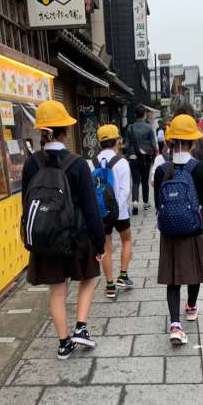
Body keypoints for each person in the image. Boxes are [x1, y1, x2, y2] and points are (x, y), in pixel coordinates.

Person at [22, 100, 105, 360]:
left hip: (47, 238)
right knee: (89, 278)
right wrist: (99, 243)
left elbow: (26, 202)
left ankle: (63, 343)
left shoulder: (31, 164)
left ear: (41, 131)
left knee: (57, 290)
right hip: (78, 236)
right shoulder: (78, 164)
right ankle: (81, 327)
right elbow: (91, 208)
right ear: (65, 131)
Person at [154, 114, 203, 344]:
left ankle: (175, 325)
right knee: (193, 271)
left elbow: (158, 203)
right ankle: (190, 307)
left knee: (173, 278)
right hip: (194, 230)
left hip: (169, 231)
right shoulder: (199, 168)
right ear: (193, 141)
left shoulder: (162, 169)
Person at [95, 124, 133, 299]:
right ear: (117, 141)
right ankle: (123, 276)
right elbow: (125, 189)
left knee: (106, 248)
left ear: (99, 142)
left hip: (101, 212)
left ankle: (110, 286)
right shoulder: (122, 162)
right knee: (126, 240)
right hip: (120, 212)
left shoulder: (92, 162)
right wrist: (116, 207)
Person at [125, 104, 157, 216]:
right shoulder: (149, 128)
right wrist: (153, 157)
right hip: (145, 157)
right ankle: (146, 203)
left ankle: (135, 202)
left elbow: (127, 144)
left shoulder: (130, 128)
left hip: (133, 157)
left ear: (135, 115)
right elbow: (153, 145)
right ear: (144, 115)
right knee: (144, 180)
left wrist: (129, 155)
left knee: (135, 181)